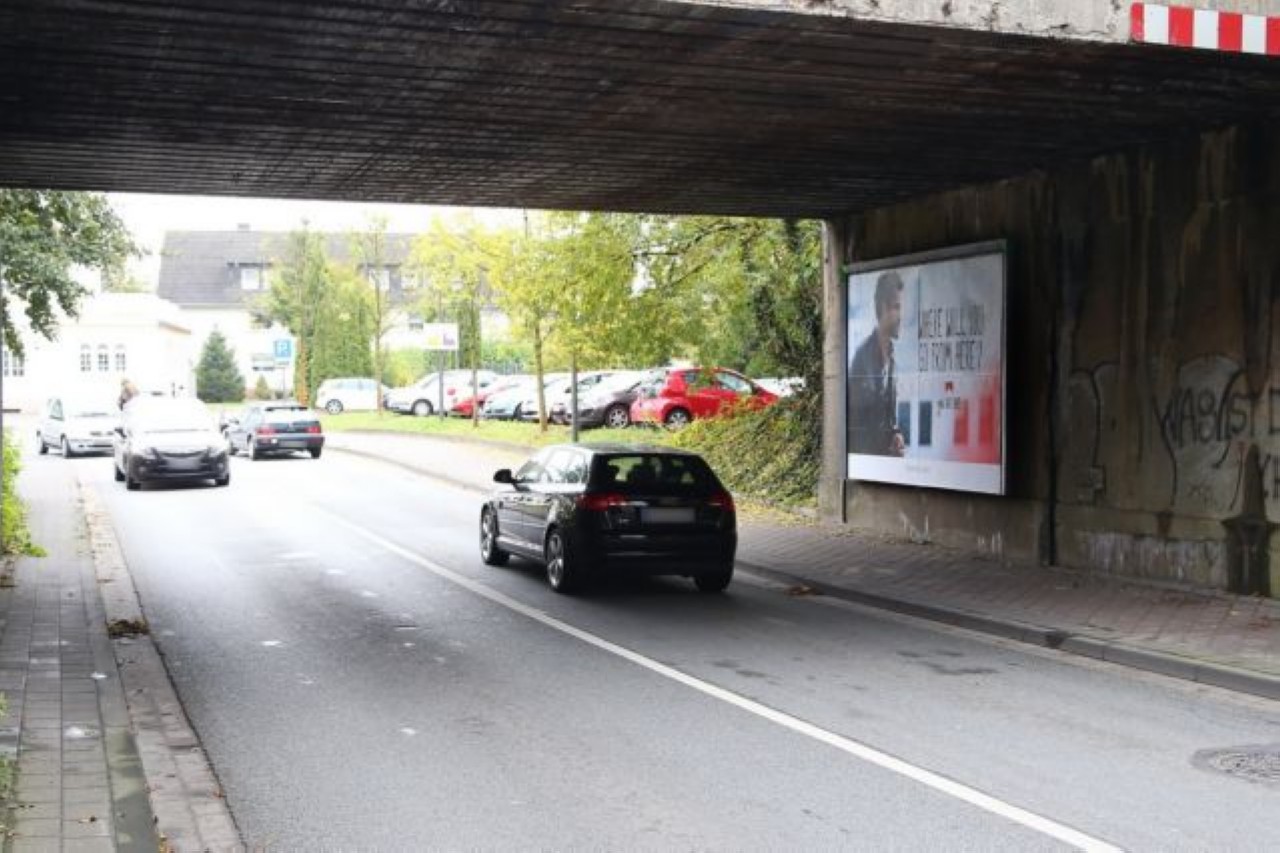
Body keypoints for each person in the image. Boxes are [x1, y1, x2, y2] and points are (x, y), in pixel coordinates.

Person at [848, 271, 906, 457]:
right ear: (883, 308)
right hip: (868, 461)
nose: (901, 316)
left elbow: (887, 415)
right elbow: (856, 423)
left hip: (884, 461)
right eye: (897, 307)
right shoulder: (861, 358)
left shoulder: (893, 359)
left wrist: (895, 433)